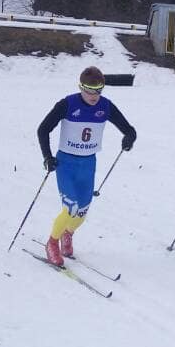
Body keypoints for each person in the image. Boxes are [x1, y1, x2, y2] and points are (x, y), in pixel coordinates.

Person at [36, 66, 137, 266]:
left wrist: (129, 138)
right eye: (89, 90)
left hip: (88, 163)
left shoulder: (106, 106)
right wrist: (47, 157)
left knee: (82, 211)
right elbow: (43, 129)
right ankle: (52, 242)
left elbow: (129, 130)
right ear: (81, 87)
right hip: (66, 162)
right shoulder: (67, 104)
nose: (94, 95)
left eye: (99, 90)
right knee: (70, 207)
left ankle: (68, 233)